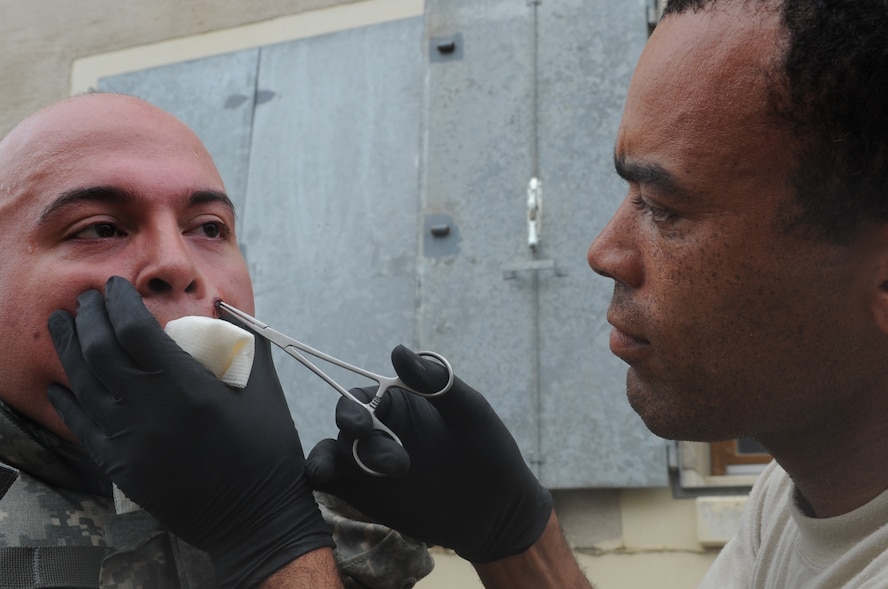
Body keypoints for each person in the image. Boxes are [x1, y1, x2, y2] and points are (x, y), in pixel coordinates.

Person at [43, 0, 888, 587]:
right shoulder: (806, 494)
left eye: (665, 208)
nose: (602, 250)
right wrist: (518, 535)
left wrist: (267, 543)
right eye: (96, 226)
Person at [0, 93, 432, 589]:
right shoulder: (272, 515)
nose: (178, 265)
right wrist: (271, 543)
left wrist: (518, 544)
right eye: (100, 227)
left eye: (208, 228)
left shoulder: (309, 511)